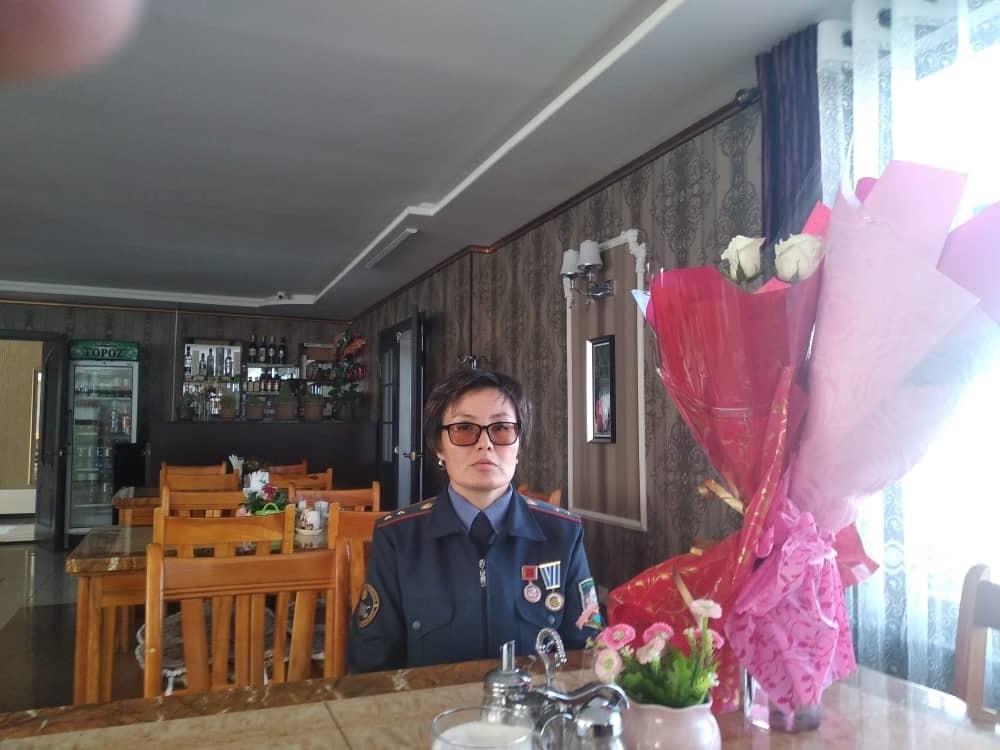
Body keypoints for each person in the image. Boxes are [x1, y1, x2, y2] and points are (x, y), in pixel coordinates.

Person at [348, 368, 603, 672]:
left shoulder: (563, 534)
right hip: (433, 702)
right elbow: (371, 663)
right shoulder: (398, 538)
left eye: (502, 428)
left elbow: (587, 653)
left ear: (519, 444)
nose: (485, 444)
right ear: (439, 447)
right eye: (465, 429)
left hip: (532, 701)